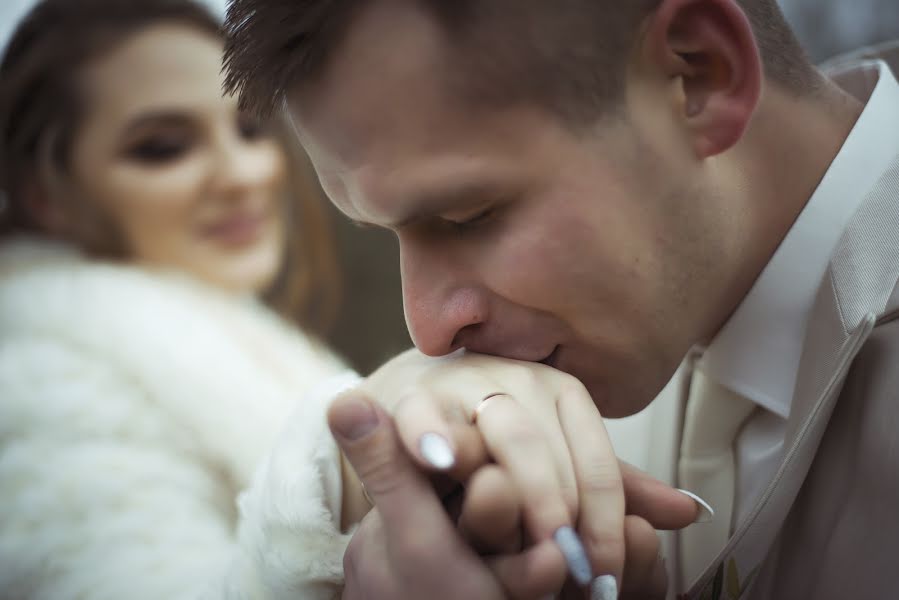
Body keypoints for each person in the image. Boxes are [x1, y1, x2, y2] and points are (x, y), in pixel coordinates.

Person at [0, 1, 701, 598]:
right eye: (161, 147)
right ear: (45, 194)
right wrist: (344, 467)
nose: (242, 173)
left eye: (247, 129)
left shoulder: (230, 335)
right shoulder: (37, 388)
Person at [222, 0, 899, 598]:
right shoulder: (559, 383)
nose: (426, 331)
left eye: (468, 217)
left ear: (699, 73)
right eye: (384, 235)